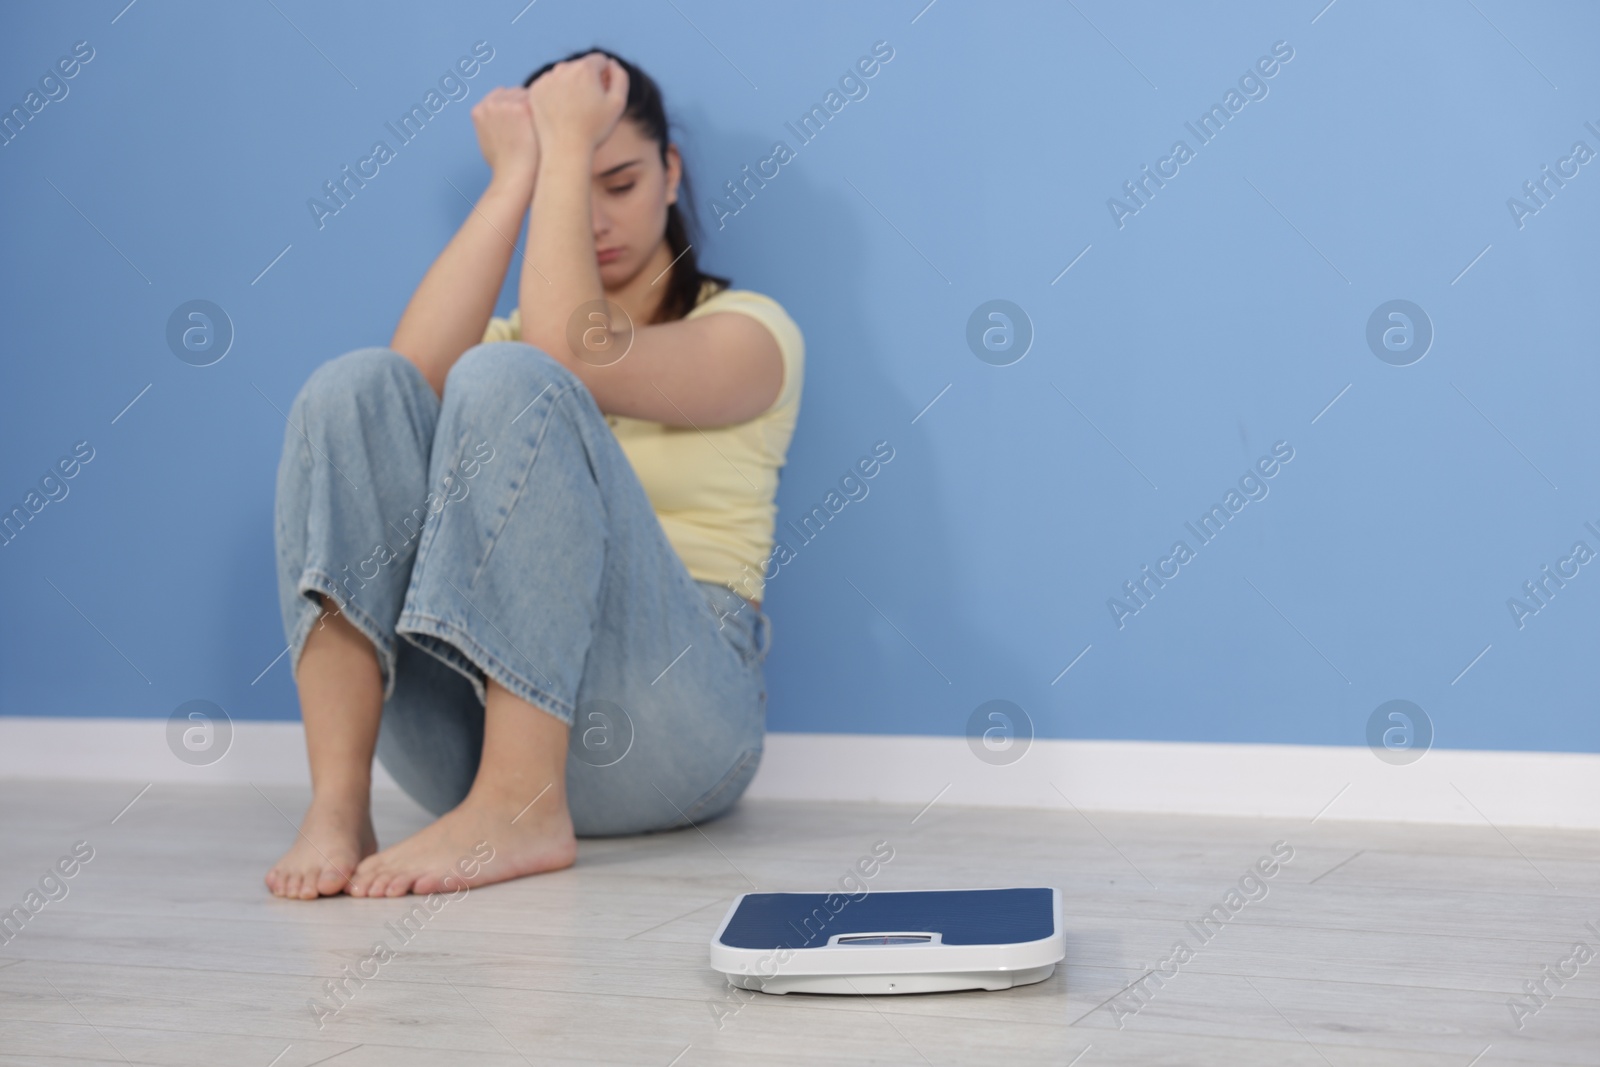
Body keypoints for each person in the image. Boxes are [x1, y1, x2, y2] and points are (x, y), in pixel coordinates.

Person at [264, 49, 804, 899]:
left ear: (671, 172)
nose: (592, 218)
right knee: (351, 388)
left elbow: (573, 355)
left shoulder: (750, 333)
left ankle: (524, 804)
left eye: (616, 182)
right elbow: (385, 413)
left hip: (671, 725)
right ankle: (339, 803)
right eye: (567, 188)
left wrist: (558, 146)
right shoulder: (520, 347)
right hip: (462, 741)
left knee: (510, 376)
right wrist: (515, 175)